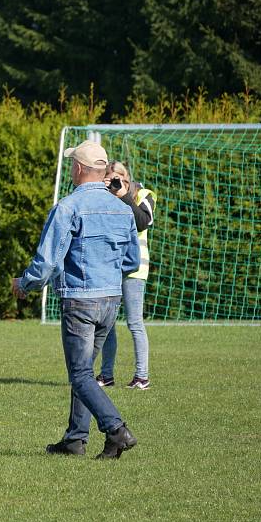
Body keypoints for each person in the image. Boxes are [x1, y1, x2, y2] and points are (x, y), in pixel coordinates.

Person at [11, 140, 141, 459]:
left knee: (81, 374)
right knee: (85, 372)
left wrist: (24, 283)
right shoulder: (123, 209)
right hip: (110, 301)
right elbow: (132, 262)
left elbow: (48, 262)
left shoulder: (68, 207)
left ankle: (117, 430)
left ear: (79, 169)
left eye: (72, 164)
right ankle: (74, 440)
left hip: (80, 301)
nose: (71, 169)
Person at [96, 160, 157, 390]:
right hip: (110, 267)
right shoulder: (104, 197)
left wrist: (123, 195)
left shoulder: (144, 194)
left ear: (126, 178)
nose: (114, 183)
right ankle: (106, 375)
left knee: (134, 322)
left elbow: (143, 222)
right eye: (109, 179)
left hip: (135, 269)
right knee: (107, 323)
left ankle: (142, 376)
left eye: (117, 179)